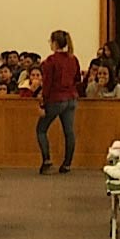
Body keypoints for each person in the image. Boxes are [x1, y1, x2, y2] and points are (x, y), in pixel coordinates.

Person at [36, 29, 82, 174]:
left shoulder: (50, 61)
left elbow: (47, 83)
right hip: (71, 98)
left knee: (41, 129)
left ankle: (47, 160)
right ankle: (67, 163)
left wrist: (42, 102)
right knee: (69, 131)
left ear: (55, 43)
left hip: (56, 99)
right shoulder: (73, 59)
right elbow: (77, 79)